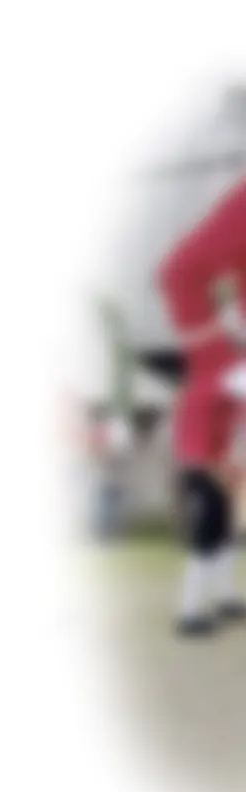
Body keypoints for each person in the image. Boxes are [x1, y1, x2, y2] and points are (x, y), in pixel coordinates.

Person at [155, 172, 246, 636]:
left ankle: (226, 596)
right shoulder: (215, 381)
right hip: (204, 462)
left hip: (217, 460)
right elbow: (201, 437)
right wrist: (218, 466)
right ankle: (192, 612)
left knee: (224, 527)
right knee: (210, 528)